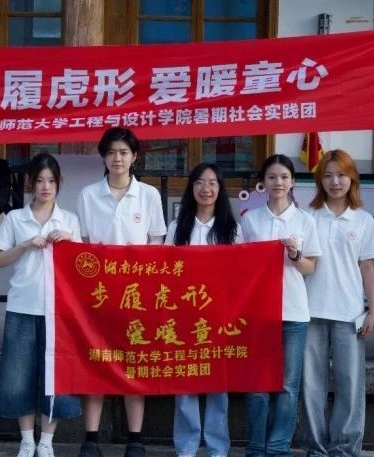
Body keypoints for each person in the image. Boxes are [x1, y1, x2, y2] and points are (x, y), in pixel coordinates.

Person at [75, 127, 167, 457]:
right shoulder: (88, 195)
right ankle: (91, 439)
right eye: (112, 152)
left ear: (134, 157)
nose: (118, 158)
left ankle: (135, 439)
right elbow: (83, 244)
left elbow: (156, 242)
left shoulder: (149, 195)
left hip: (136, 294)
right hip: (99, 293)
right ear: (103, 157)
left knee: (134, 363)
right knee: (96, 361)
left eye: (124, 152)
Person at [0, 153, 83, 457]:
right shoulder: (15, 218)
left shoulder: (69, 219)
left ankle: (46, 441)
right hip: (22, 305)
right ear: (30, 183)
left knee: (56, 375)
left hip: (59, 310)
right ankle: (27, 440)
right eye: (40, 180)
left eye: (51, 181)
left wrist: (70, 241)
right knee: (19, 376)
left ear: (59, 184)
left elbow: (84, 264)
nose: (45, 187)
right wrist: (25, 245)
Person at [300, 150, 374, 457]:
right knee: (311, 384)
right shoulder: (308, 217)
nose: (335, 182)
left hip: (350, 313)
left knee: (350, 384)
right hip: (310, 310)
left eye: (342, 175)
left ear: (352, 179)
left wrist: (372, 309)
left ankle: (345, 448)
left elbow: (367, 266)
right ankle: (316, 448)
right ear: (320, 180)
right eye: (328, 175)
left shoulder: (363, 220)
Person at [240, 154, 320, 457]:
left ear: (293, 182)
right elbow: (240, 265)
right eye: (272, 177)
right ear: (263, 182)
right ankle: (256, 447)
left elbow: (311, 267)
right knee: (257, 385)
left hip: (294, 312)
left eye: (284, 177)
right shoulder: (250, 219)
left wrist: (296, 255)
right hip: (259, 314)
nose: (278, 182)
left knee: (288, 385)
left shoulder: (305, 220)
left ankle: (278, 447)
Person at [165, 163, 241, 457]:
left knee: (217, 385)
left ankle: (217, 448)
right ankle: (186, 447)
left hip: (218, 315)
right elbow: (166, 270)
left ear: (220, 189)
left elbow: (241, 273)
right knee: (185, 382)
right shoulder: (177, 227)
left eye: (212, 183)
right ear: (191, 188)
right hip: (184, 315)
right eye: (199, 182)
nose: (205, 189)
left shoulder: (232, 229)